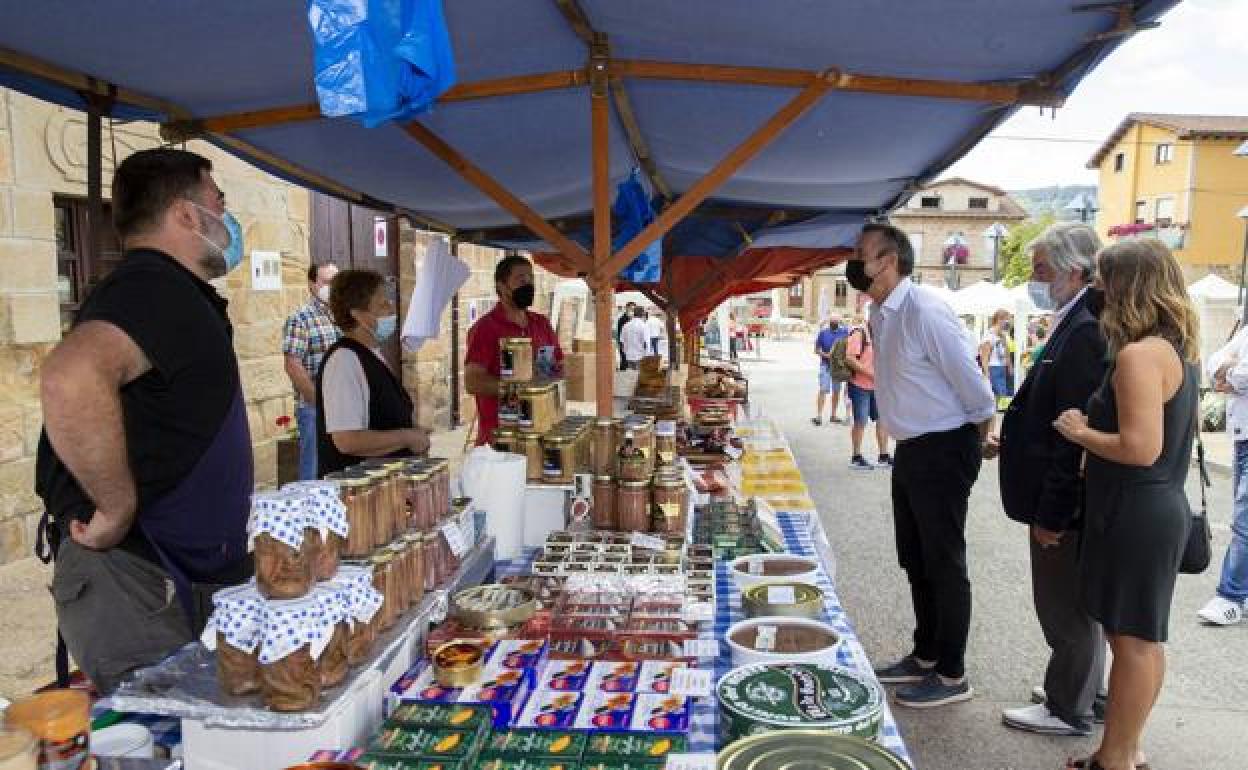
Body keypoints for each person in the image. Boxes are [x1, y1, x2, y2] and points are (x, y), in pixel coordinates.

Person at [35, 148, 254, 692]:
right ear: (186, 215)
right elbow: (70, 377)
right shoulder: (152, 286)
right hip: (138, 577)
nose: (227, 218)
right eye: (218, 202)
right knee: (159, 740)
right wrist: (115, 505)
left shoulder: (173, 292)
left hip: (175, 574)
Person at [1054, 239, 1200, 770]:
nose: (1097, 289)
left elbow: (1140, 448)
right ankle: (1124, 750)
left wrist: (1081, 431)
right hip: (1154, 509)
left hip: (1134, 511)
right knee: (1143, 639)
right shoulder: (1174, 347)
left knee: (1132, 643)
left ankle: (1115, 759)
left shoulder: (1139, 356)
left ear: (1128, 286)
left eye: (1104, 279)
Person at [847, 223, 995, 708]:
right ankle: (926, 652)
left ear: (887, 262)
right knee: (916, 558)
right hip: (911, 447)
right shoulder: (881, 312)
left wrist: (975, 437)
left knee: (944, 562)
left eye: (861, 255)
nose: (854, 262)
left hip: (943, 446)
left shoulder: (925, 310)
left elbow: (974, 386)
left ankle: (952, 674)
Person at [988, 223, 1108, 736]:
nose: (1035, 278)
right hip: (1057, 493)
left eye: (1042, 269)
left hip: (1062, 501)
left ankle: (1068, 706)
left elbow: (1070, 435)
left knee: (1064, 608)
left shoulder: (1084, 330)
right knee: (1076, 607)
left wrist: (1052, 514)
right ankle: (1084, 691)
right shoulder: (1075, 320)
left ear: (1074, 270)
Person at [316, 269, 429, 476]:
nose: (391, 308)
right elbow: (346, 440)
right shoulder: (344, 360)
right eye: (382, 304)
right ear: (359, 315)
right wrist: (407, 437)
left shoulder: (372, 354)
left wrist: (415, 431)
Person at [465, 255, 563, 445]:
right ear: (501, 286)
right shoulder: (485, 328)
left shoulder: (541, 323)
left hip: (541, 432)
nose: (528, 284)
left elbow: (558, 364)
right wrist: (520, 389)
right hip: (501, 437)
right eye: (521, 280)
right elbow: (473, 381)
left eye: (531, 279)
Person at [1198, 321, 1248, 625]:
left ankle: (1230, 596)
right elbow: (1213, 361)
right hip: (1242, 437)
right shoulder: (1245, 329)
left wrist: (1231, 372)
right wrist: (1231, 369)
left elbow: (1242, 374)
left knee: (1244, 521)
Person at [282, 262, 340, 480]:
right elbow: (292, 364)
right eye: (327, 282)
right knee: (314, 471)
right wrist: (317, 401)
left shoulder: (345, 317)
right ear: (312, 285)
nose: (333, 287)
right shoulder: (301, 319)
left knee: (341, 470)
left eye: (337, 282)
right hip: (314, 410)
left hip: (344, 409)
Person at [844, 320, 892, 470]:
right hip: (859, 385)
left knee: (882, 420)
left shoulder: (883, 333)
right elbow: (849, 358)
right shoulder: (860, 333)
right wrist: (870, 373)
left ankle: (883, 456)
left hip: (878, 387)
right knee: (861, 421)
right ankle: (856, 457)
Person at [812, 315, 849, 425]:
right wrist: (826, 355)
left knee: (836, 391)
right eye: (832, 321)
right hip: (825, 365)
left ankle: (833, 415)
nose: (834, 322)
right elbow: (816, 350)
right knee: (823, 389)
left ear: (839, 322)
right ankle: (818, 416)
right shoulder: (823, 333)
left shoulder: (844, 332)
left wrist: (843, 322)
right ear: (829, 322)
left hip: (838, 367)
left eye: (836, 321)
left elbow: (852, 335)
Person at [980, 309, 1013, 407]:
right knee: (999, 395)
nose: (1008, 322)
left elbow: (1006, 352)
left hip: (1002, 368)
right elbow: (984, 357)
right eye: (1007, 320)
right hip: (993, 368)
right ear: (999, 320)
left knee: (1003, 395)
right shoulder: (989, 336)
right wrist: (986, 373)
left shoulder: (1003, 335)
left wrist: (1010, 366)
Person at [616, 301, 637, 371]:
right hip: (624, 343)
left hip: (634, 344)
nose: (632, 310)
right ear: (626, 308)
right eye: (630, 308)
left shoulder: (635, 320)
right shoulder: (622, 319)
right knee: (624, 360)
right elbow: (619, 332)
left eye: (633, 309)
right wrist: (620, 343)